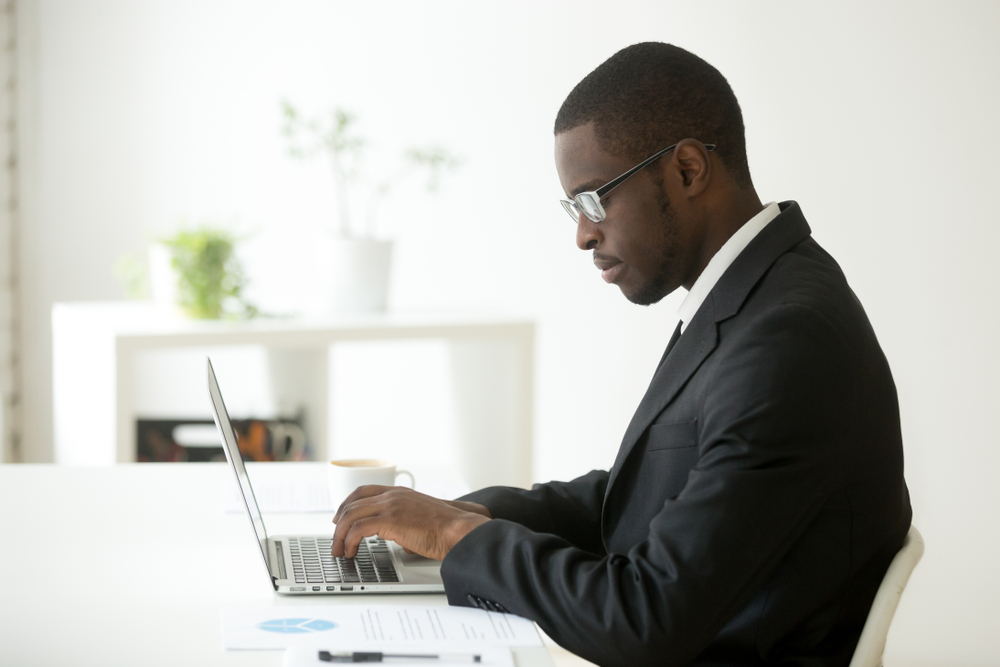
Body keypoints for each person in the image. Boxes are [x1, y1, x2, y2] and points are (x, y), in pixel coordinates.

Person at [331, 42, 912, 667]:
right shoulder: (753, 296)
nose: (583, 234)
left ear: (687, 170)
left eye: (592, 199)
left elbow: (645, 619)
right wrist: (472, 512)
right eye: (573, 208)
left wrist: (456, 537)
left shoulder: (789, 337)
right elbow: (648, 496)